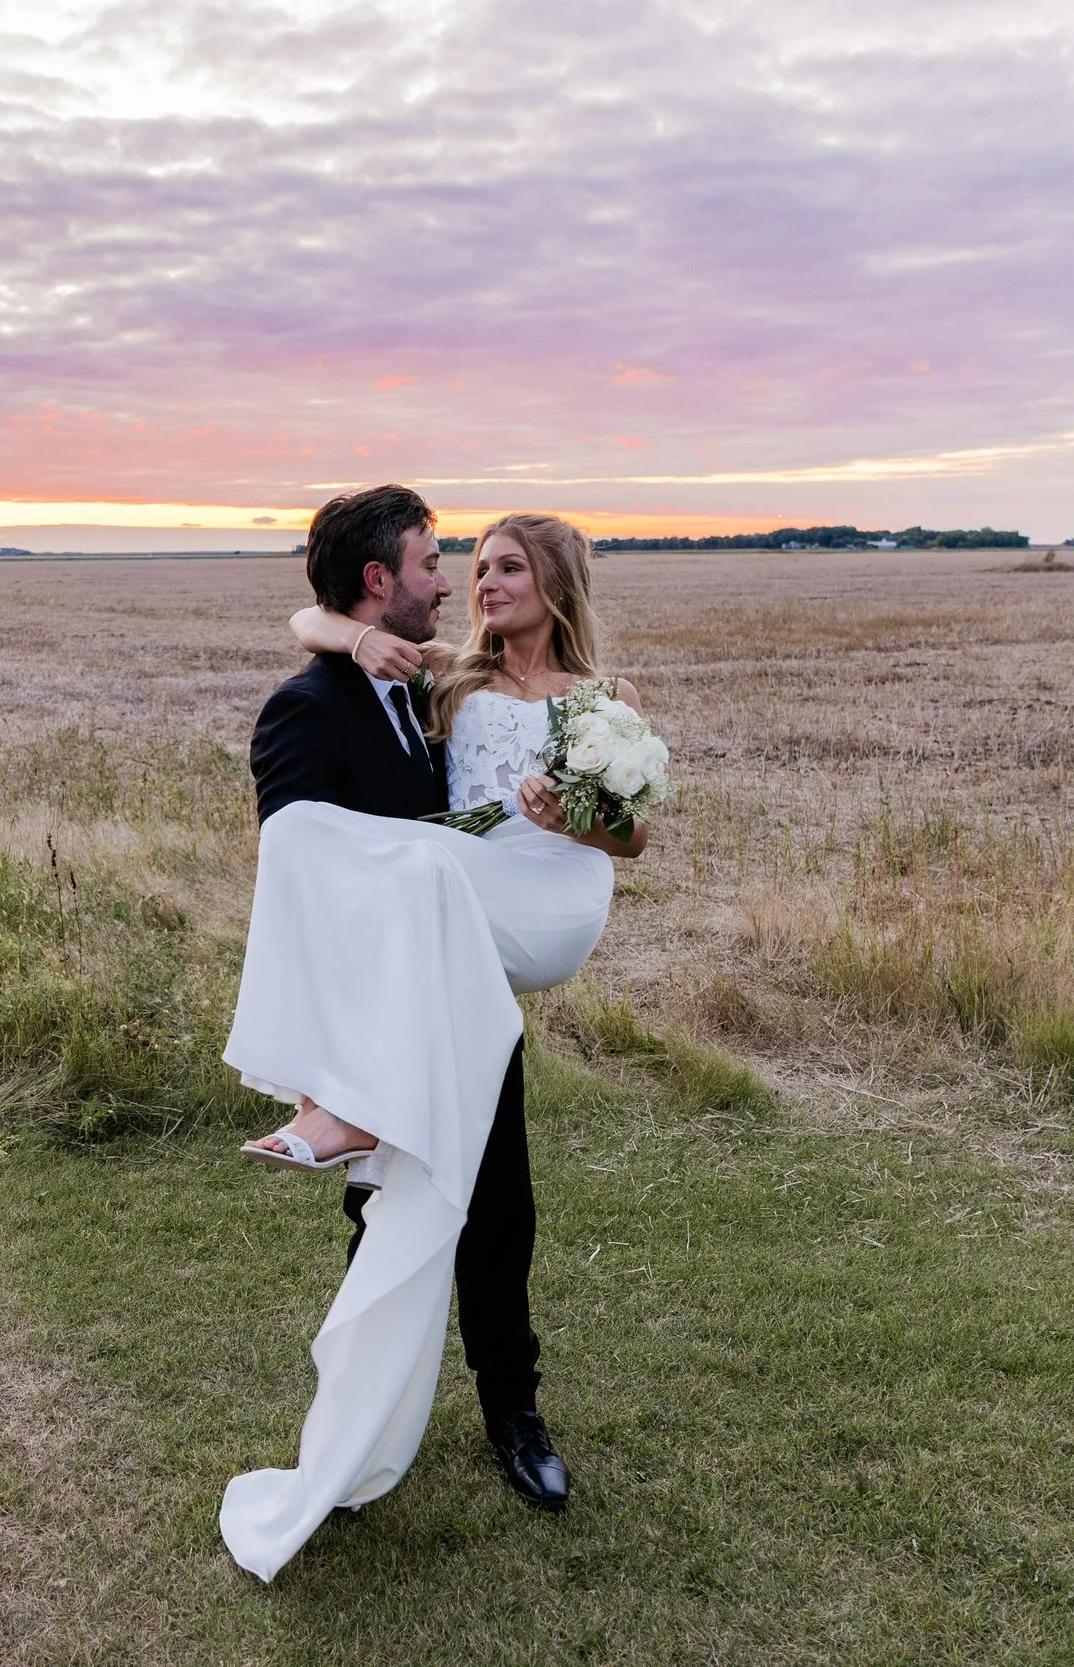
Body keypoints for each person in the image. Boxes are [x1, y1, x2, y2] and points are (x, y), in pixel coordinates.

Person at [217, 486, 651, 1582]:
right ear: (380, 582)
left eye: (503, 566)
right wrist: (349, 631)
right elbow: (307, 647)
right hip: (415, 988)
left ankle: (518, 1418)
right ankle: (357, 1437)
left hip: (498, 939)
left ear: (552, 587)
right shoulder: (434, 681)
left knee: (500, 1206)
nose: (468, 579)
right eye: (452, 561)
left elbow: (633, 830)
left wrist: (581, 817)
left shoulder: (564, 696)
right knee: (397, 1201)